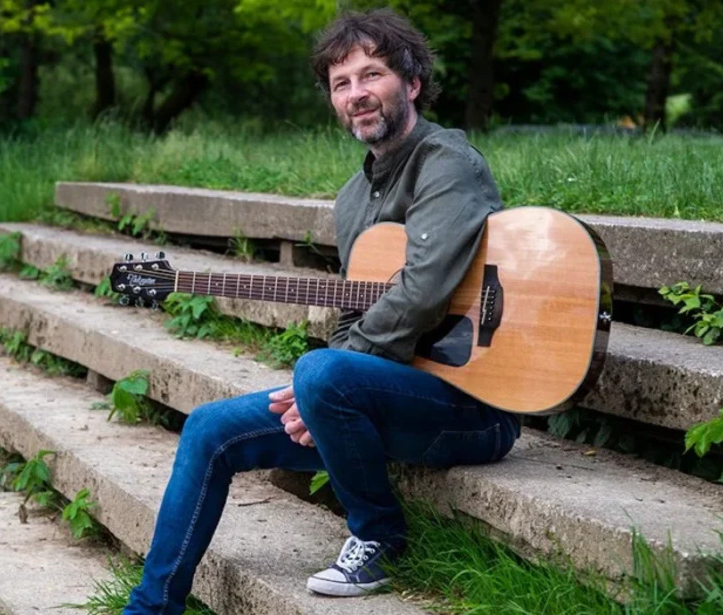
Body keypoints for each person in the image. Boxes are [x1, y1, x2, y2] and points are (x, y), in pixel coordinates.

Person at [123, 8, 521, 614]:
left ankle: (380, 535)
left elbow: (424, 290)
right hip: (383, 393)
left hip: (473, 406)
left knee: (320, 372)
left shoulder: (446, 162)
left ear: (412, 83)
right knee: (208, 428)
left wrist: (323, 387)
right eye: (341, 83)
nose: (356, 94)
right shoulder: (353, 199)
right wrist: (324, 396)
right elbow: (350, 318)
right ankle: (149, 608)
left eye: (372, 75)